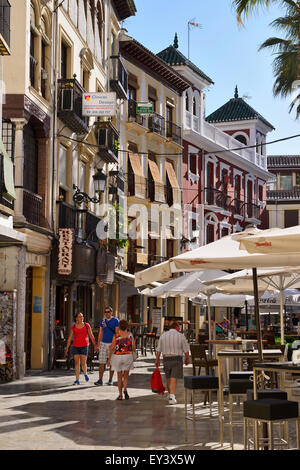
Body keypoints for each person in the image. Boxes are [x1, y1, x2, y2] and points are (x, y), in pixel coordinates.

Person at [155, 321, 190, 405]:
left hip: (166, 358)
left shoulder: (163, 335)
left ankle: (171, 394)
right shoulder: (181, 336)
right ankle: (171, 396)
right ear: (177, 327)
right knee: (174, 377)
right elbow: (186, 349)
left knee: (168, 378)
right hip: (177, 359)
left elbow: (158, 349)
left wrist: (157, 360)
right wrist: (187, 359)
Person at [107, 319, 136, 400]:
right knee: (126, 376)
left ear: (119, 326)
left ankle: (120, 395)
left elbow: (112, 348)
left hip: (118, 357)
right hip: (127, 356)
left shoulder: (116, 336)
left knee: (119, 377)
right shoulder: (130, 335)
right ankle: (125, 389)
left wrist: (109, 359)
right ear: (127, 326)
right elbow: (134, 347)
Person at [65, 312, 96, 385]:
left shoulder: (86, 325)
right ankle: (77, 380)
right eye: (80, 317)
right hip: (75, 346)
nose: (81, 318)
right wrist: (67, 348)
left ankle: (85, 373)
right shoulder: (74, 327)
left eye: (82, 316)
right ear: (76, 318)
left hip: (84, 346)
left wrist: (95, 345)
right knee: (76, 363)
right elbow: (70, 338)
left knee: (83, 363)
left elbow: (91, 335)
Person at [94, 306, 119, 386]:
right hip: (103, 343)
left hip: (112, 344)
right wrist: (98, 344)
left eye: (108, 312)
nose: (107, 313)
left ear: (111, 312)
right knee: (101, 362)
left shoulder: (116, 321)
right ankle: (100, 380)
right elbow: (100, 332)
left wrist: (114, 344)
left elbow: (117, 333)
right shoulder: (103, 321)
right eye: (105, 312)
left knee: (111, 362)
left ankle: (110, 380)